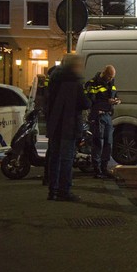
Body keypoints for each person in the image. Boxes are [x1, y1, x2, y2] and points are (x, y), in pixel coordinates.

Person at [45, 54, 91, 201]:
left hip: (55, 123)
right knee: (66, 159)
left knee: (54, 157)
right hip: (68, 125)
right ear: (74, 66)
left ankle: (52, 190)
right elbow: (84, 103)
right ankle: (64, 191)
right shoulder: (73, 81)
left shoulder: (54, 79)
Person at [84, 65, 121, 178]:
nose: (110, 79)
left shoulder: (111, 83)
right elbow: (90, 101)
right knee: (98, 143)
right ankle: (97, 169)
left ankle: (104, 168)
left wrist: (117, 100)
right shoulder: (92, 83)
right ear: (104, 73)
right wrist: (107, 102)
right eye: (109, 76)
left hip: (107, 115)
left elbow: (115, 94)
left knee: (108, 143)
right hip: (98, 116)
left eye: (112, 77)